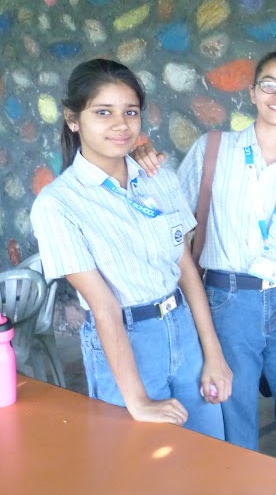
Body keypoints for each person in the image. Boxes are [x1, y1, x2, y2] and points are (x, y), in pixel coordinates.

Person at [133, 49, 276, 472]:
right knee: (234, 423)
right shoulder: (214, 149)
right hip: (226, 302)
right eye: (270, 84)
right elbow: (174, 217)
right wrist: (143, 167)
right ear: (252, 92)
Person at [30, 59, 230, 437]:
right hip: (128, 340)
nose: (121, 125)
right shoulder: (58, 204)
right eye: (103, 112)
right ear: (73, 118)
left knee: (211, 451)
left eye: (130, 112)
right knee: (142, 469)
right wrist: (137, 400)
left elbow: (186, 270)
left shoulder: (158, 178)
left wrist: (213, 354)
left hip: (183, 330)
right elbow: (103, 307)